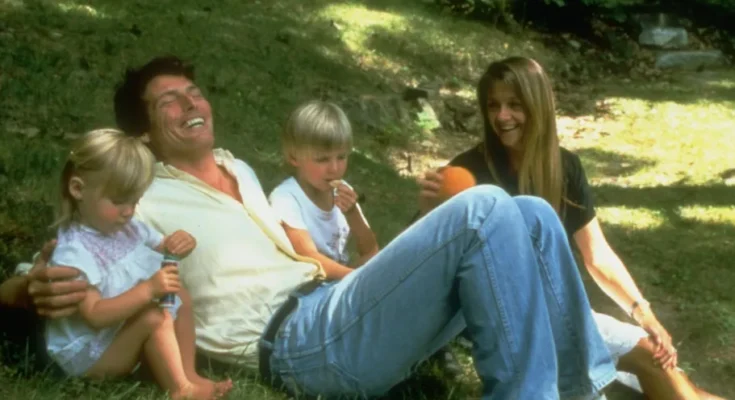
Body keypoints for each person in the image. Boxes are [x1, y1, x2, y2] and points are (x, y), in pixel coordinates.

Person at [2, 56, 619, 399]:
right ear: (141, 135)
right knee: (485, 207)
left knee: (534, 214)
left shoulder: (235, 168)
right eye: (172, 101)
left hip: (335, 305)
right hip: (298, 342)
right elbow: (54, 260)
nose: (193, 104)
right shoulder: (140, 195)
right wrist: (25, 289)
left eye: (195, 92)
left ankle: (578, 386)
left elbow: (300, 246)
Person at [418, 56, 724, 400]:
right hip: (508, 321)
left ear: (538, 106)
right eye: (493, 105)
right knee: (649, 365)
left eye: (514, 105)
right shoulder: (467, 173)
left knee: (668, 372)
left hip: (562, 310)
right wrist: (433, 213)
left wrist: (645, 315)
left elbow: (597, 255)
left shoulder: (565, 167)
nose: (502, 117)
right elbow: (434, 270)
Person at [42, 128, 232, 399]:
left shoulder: (127, 228)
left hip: (118, 332)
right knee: (154, 317)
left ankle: (189, 375)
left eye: (135, 200)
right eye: (119, 201)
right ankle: (181, 389)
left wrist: (180, 243)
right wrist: (147, 291)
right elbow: (95, 315)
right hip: (91, 353)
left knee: (181, 296)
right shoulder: (76, 253)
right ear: (78, 189)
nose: (129, 211)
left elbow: (163, 245)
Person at [268, 100, 379, 280]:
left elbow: (370, 250)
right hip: (306, 288)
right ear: (293, 157)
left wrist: (352, 213)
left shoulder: (341, 190)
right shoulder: (286, 198)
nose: (334, 168)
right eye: (322, 159)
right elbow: (309, 258)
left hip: (338, 280)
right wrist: (356, 280)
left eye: (341, 157)